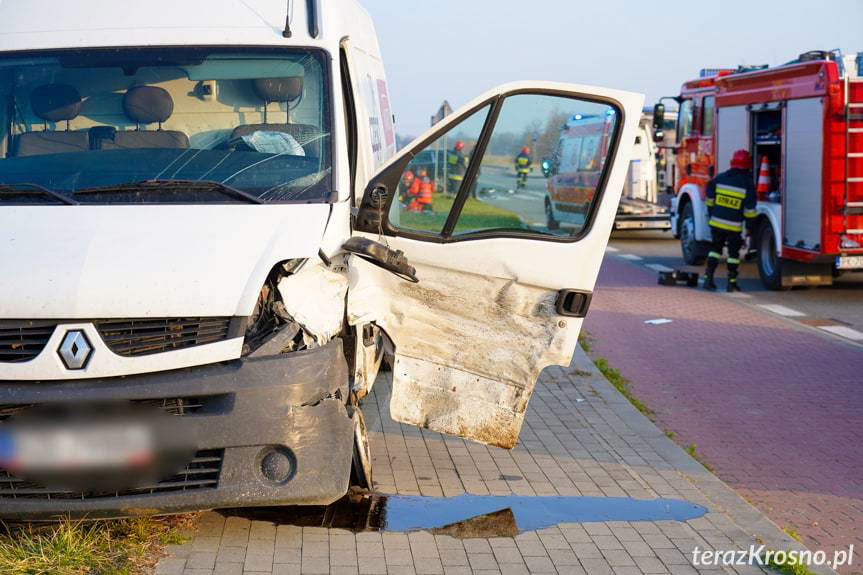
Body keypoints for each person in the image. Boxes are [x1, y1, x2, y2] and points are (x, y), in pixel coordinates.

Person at [703, 149, 758, 292]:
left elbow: (709, 197)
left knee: (715, 250)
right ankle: (731, 283)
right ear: (747, 166)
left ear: (732, 163)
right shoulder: (747, 183)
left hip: (716, 222)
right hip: (734, 226)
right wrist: (750, 228)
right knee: (733, 255)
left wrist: (712, 213)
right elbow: (750, 210)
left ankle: (708, 280)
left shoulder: (720, 178)